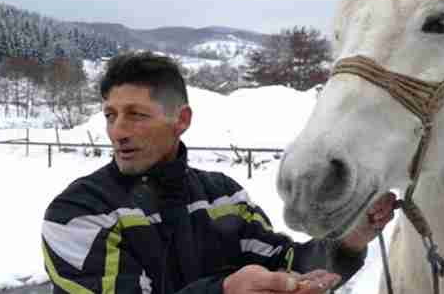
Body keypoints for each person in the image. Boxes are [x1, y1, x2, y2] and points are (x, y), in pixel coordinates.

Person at [41, 51, 396, 294]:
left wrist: (350, 239)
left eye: (136, 114)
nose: (118, 130)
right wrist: (224, 290)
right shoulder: (78, 213)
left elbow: (286, 263)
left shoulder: (223, 196)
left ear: (181, 120)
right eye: (110, 115)